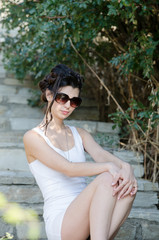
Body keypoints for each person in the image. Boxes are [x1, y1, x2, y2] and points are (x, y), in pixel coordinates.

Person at [23, 64, 137, 240]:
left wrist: (125, 166)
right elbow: (68, 168)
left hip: (90, 215)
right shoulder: (33, 137)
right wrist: (108, 167)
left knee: (129, 187)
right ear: (49, 95)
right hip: (61, 221)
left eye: (74, 101)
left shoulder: (79, 133)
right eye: (62, 98)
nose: (68, 105)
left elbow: (100, 155)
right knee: (107, 177)